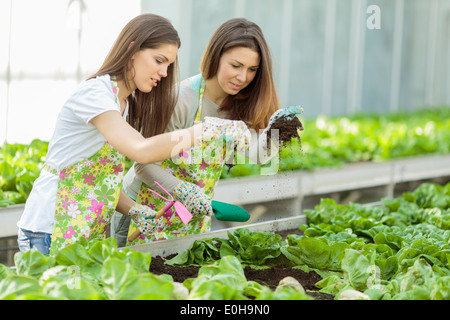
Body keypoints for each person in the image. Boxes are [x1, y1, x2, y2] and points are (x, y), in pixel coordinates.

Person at [16, 13, 250, 256]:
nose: (164, 72)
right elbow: (141, 151)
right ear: (132, 49)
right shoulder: (96, 94)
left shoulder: (125, 105)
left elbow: (93, 180)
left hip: (82, 228)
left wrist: (136, 210)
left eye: (169, 65)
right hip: (50, 227)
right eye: (159, 60)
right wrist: (206, 129)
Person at [111, 17, 303, 247]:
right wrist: (185, 191)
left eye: (252, 70)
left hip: (191, 219)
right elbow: (143, 165)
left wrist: (275, 134)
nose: (243, 78)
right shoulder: (181, 99)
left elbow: (255, 156)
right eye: (235, 66)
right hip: (144, 212)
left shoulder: (238, 106)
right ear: (215, 57)